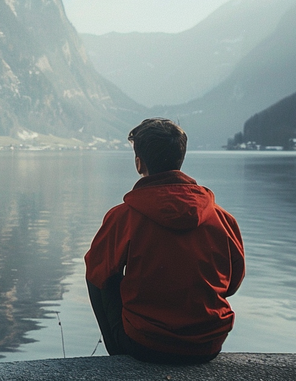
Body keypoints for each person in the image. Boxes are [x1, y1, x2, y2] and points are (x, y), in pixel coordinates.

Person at [84, 118, 245, 364]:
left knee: (99, 267)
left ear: (139, 164)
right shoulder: (222, 218)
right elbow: (231, 285)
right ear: (180, 160)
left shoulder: (123, 217)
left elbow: (97, 275)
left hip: (145, 345)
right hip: (208, 346)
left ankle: (117, 351)